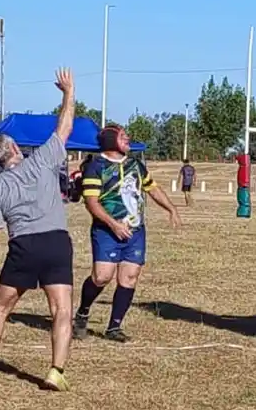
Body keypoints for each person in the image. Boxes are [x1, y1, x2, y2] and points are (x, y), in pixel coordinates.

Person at [0, 69, 79, 391]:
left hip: (22, 247)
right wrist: (68, 93)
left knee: (0, 308)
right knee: (61, 309)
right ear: (16, 149)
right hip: (54, 243)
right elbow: (64, 126)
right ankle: (55, 371)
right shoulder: (43, 160)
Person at [74, 125, 183, 342]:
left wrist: (171, 208)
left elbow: (152, 188)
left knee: (129, 277)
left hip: (135, 232)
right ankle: (82, 312)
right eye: (123, 136)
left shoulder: (136, 165)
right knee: (102, 276)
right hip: (107, 231)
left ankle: (114, 327)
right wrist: (114, 224)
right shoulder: (96, 167)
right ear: (111, 141)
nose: (128, 139)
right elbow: (92, 203)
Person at [235, 152, 251, 218]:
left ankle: (244, 211)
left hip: (243, 185)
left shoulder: (244, 165)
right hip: (242, 185)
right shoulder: (242, 166)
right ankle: (243, 211)